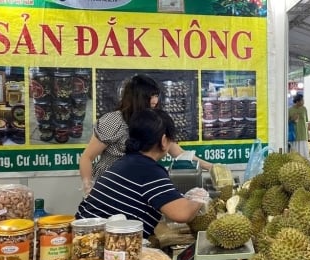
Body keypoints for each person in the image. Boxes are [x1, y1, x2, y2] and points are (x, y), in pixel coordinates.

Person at [76, 108, 210, 238]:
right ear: (164, 141)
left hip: (83, 238)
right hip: (101, 246)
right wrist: (199, 198)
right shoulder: (149, 170)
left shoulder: (127, 162)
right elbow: (182, 214)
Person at [79, 74, 212, 195]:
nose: (155, 100)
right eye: (151, 96)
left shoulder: (155, 121)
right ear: (138, 97)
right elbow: (87, 157)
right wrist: (88, 188)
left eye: (156, 95)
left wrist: (211, 167)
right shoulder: (113, 121)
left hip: (139, 187)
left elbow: (179, 153)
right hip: (109, 187)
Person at [288, 93, 309, 159]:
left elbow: (306, 121)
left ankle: (305, 165)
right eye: (302, 100)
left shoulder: (304, 109)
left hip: (303, 134)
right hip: (294, 135)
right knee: (295, 153)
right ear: (297, 101)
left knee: (304, 153)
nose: (303, 102)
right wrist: (292, 119)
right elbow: (286, 123)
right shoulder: (290, 110)